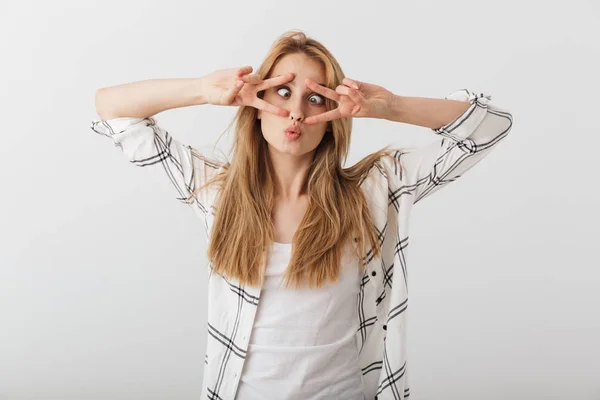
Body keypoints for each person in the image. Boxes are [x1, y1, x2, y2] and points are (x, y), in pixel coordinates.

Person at [90, 30, 513, 400]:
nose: (297, 114)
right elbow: (111, 108)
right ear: (255, 104)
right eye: (283, 92)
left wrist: (391, 106)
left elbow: (489, 128)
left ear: (333, 120)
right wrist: (204, 89)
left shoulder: (375, 191)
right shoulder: (217, 193)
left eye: (315, 99)